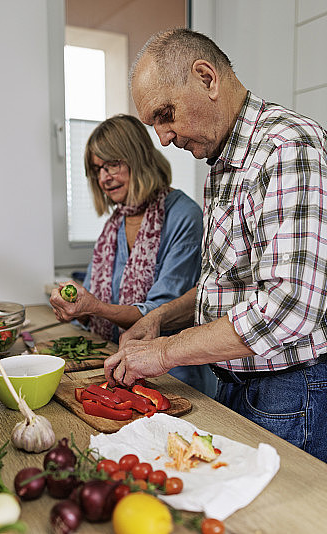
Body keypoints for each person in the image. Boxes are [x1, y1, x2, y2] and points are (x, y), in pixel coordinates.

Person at [104, 29, 327, 467]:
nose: (164, 138)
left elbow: (287, 307)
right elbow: (232, 285)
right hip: (246, 377)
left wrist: (165, 351)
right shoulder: (225, 163)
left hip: (296, 385)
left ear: (206, 77)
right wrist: (160, 319)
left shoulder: (288, 149)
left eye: (165, 116)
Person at [48, 113, 216, 397]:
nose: (105, 177)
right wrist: (74, 306)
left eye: (113, 164)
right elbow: (90, 302)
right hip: (119, 368)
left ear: (138, 158)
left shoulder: (183, 215)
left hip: (173, 380)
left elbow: (159, 314)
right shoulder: (113, 225)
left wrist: (94, 307)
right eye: (97, 169)